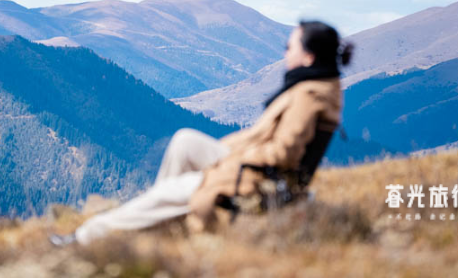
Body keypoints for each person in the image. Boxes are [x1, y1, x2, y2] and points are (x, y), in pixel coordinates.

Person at [50, 20, 354, 246]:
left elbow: (284, 153)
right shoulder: (315, 86)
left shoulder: (308, 95)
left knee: (170, 193)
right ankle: (167, 224)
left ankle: (85, 237)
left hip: (259, 179)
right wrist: (231, 153)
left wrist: (231, 161)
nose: (285, 51)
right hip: (257, 169)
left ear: (309, 57)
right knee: (184, 141)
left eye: (291, 46)